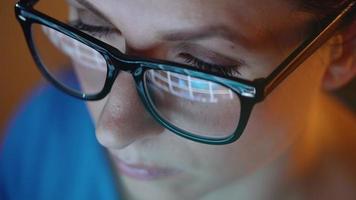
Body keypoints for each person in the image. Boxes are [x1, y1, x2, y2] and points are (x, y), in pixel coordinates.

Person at [1, 0, 355, 199]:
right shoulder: (45, 130)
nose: (111, 131)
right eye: (91, 29)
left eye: (202, 68)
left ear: (342, 51)